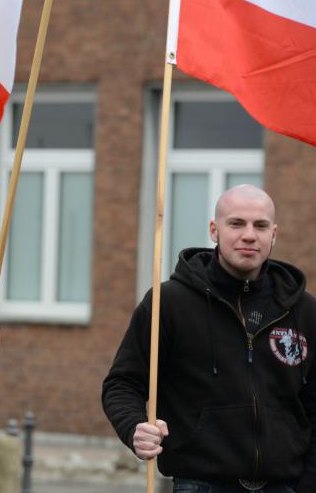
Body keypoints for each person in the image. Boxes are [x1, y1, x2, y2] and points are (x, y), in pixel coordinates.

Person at [102, 185, 316, 493]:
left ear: (274, 234)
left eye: (260, 225)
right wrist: (134, 427)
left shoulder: (304, 311)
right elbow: (122, 384)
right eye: (236, 223)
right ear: (214, 230)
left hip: (285, 486)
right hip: (200, 483)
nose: (249, 235)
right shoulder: (168, 303)